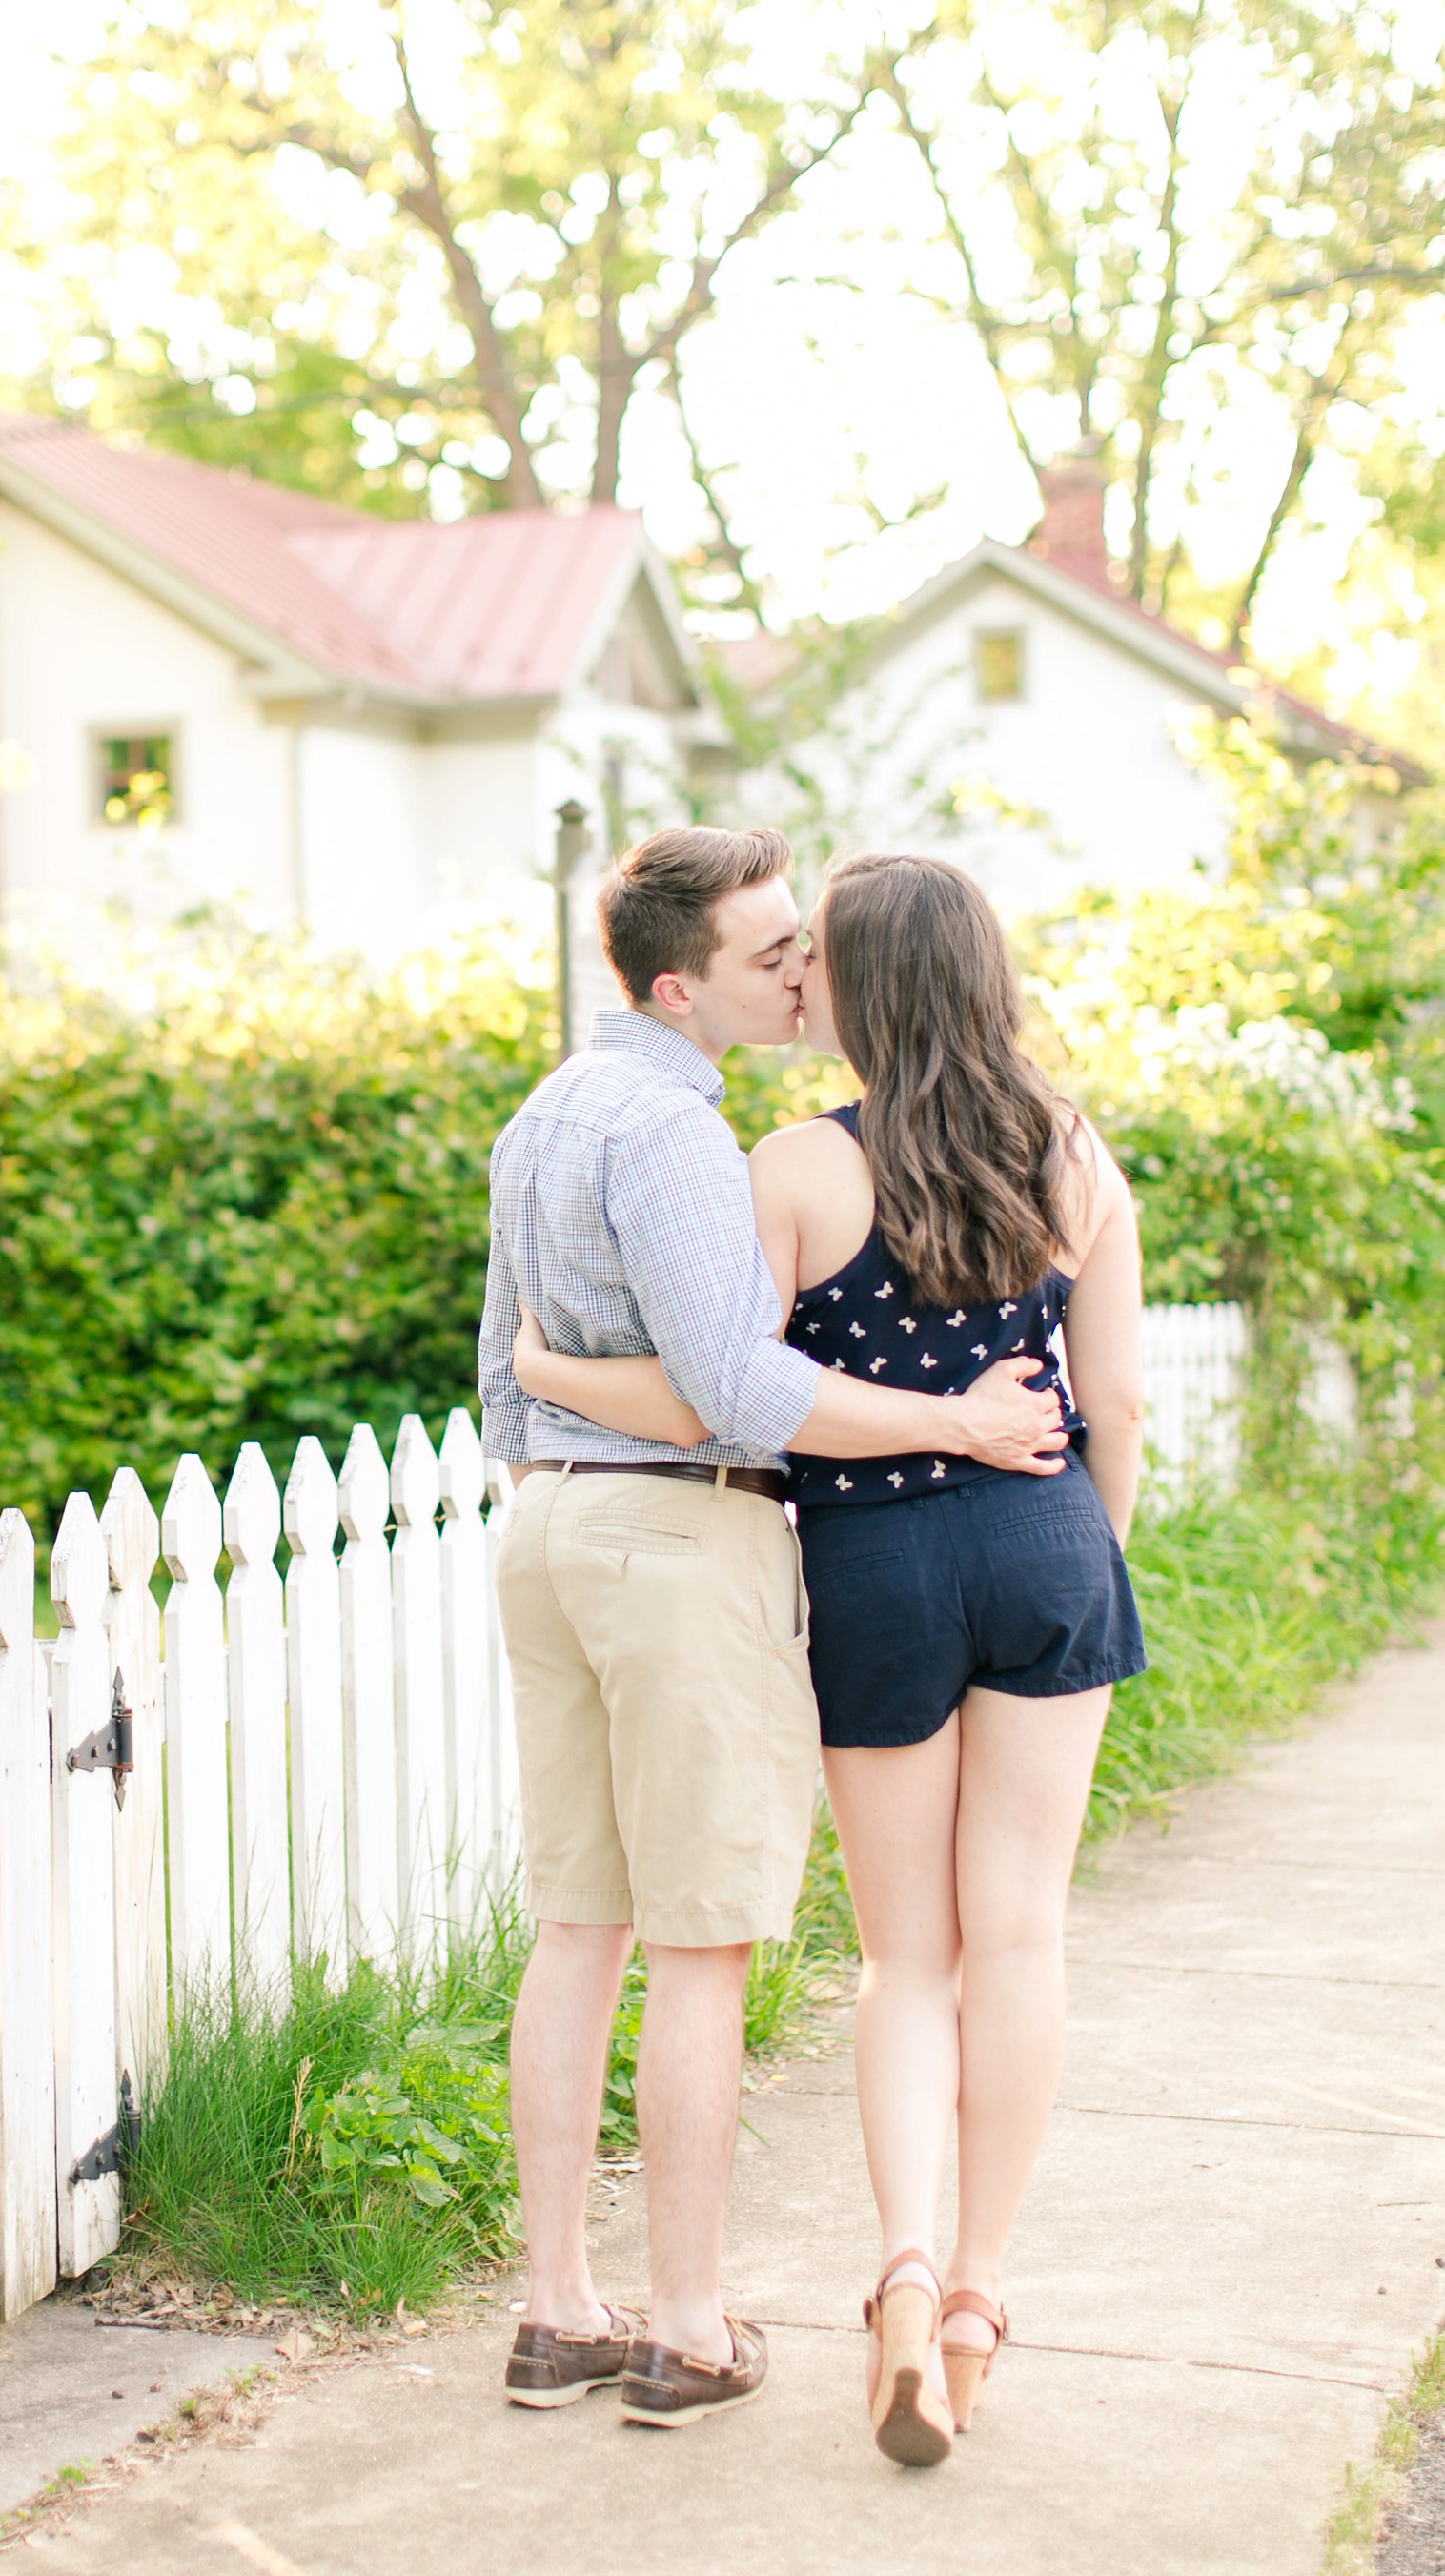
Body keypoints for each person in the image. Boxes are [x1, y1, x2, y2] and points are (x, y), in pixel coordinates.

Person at [513, 850, 1145, 2465]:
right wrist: (1083, 1555)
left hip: (876, 1569)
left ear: (854, 989)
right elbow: (1117, 1404)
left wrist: (548, 1373)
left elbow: (735, 1392)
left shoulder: (791, 1168)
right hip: (1046, 1542)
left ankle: (902, 2267)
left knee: (906, 1962)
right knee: (1022, 1940)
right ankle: (980, 2298)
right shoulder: (1074, 1156)